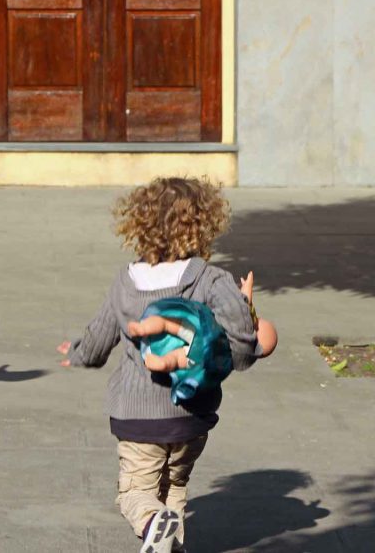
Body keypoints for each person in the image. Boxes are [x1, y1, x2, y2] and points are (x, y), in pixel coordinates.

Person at [57, 177, 265, 553]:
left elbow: (101, 336)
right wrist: (237, 346)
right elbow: (242, 342)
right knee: (175, 485)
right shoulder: (213, 280)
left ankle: (154, 522)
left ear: (138, 225)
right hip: (193, 416)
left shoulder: (127, 281)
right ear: (204, 225)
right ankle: (170, 544)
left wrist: (78, 352)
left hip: (138, 416)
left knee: (136, 492)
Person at [129, 271, 278, 375]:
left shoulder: (243, 330)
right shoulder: (240, 359)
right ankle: (164, 363)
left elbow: (240, 309)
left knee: (169, 324)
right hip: (202, 356)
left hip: (199, 332)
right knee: (179, 358)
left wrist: (246, 292)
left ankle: (143, 328)